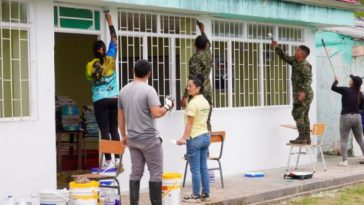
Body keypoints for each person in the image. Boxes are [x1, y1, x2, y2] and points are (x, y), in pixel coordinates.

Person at [118, 59, 174, 205]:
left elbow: (121, 116)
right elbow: (156, 113)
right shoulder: (149, 90)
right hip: (149, 139)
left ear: (133, 70)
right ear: (149, 73)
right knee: (155, 173)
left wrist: (123, 135)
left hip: (133, 139)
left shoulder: (123, 91)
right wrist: (168, 106)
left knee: (136, 172)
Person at [85, 12, 119, 168]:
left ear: (93, 51)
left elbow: (90, 78)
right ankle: (117, 159)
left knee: (104, 130)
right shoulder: (111, 58)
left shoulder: (90, 65)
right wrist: (109, 21)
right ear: (104, 49)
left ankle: (108, 160)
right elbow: (114, 39)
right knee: (114, 129)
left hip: (100, 100)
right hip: (114, 98)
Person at [177, 75, 211, 203]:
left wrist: (183, 138)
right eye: (188, 85)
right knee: (203, 167)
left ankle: (196, 196)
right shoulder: (205, 102)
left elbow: (190, 123)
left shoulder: (193, 103)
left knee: (195, 169)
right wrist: (187, 106)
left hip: (195, 138)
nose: (188, 88)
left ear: (198, 88)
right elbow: (198, 118)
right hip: (205, 136)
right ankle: (206, 194)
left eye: (191, 86)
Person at [273, 41, 313, 144]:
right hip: (300, 93)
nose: (296, 51)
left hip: (304, 94)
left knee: (298, 113)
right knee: (304, 116)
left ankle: (302, 137)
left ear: (303, 54)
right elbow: (284, 57)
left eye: (298, 50)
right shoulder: (295, 61)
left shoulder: (305, 65)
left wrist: (303, 93)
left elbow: (308, 79)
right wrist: (277, 47)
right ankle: (307, 138)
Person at [181, 20, 213, 132]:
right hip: (208, 89)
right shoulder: (209, 53)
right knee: (206, 117)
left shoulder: (195, 59)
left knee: (195, 119)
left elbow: (193, 78)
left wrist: (185, 95)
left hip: (198, 91)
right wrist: (202, 31)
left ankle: (198, 142)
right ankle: (206, 142)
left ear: (195, 45)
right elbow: (208, 43)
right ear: (205, 45)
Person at [332, 74, 364, 166]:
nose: (350, 80)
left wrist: (336, 81)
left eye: (351, 79)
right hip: (357, 117)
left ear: (353, 82)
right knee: (360, 140)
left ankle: (344, 161)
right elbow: (362, 108)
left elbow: (333, 88)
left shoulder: (346, 90)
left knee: (344, 140)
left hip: (346, 117)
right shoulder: (360, 94)